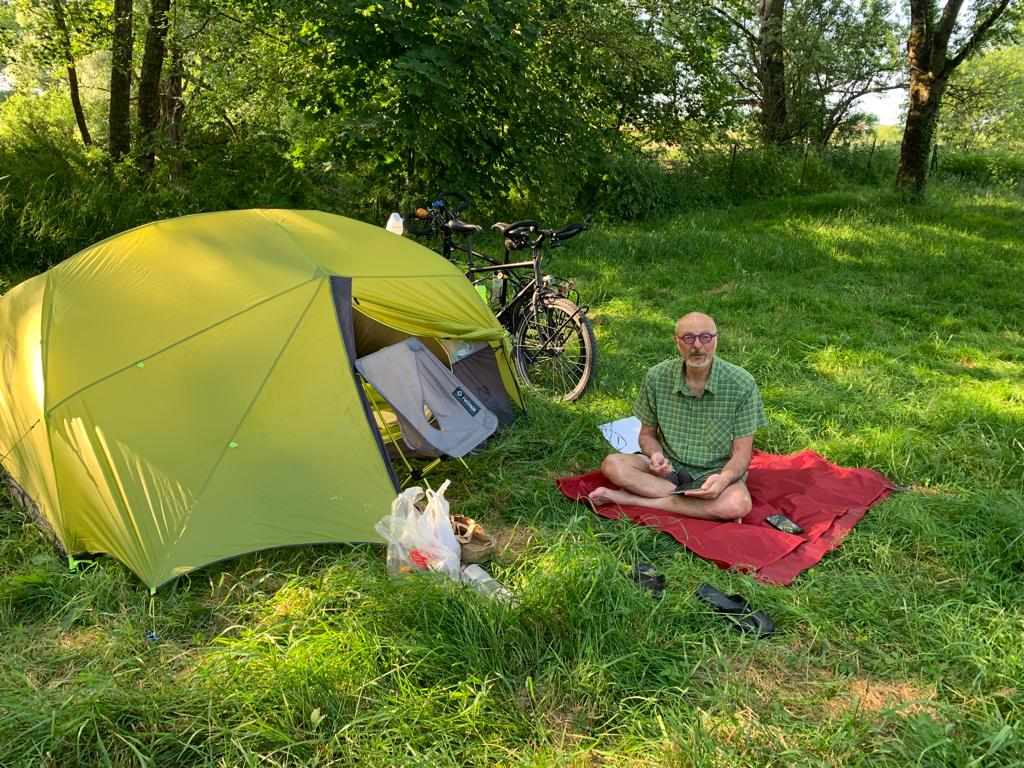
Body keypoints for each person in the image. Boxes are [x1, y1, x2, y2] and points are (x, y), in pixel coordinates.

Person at [590, 312, 767, 521]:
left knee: (738, 504)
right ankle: (702, 507)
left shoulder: (742, 384)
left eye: (705, 337)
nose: (697, 345)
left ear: (716, 340)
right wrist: (656, 455)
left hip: (714, 473)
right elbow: (646, 435)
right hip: (668, 469)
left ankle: (632, 499)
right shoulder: (657, 377)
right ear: (677, 342)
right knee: (612, 465)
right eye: (688, 338)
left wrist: (723, 479)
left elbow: (742, 454)